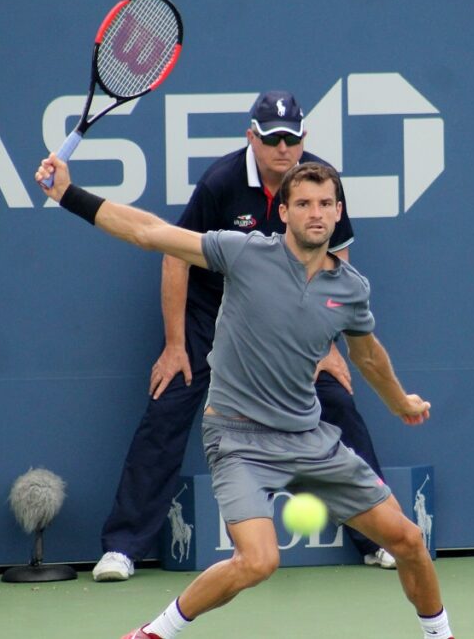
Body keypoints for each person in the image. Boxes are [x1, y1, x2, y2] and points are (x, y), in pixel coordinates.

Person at [34, 157, 455, 639]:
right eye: (303, 204)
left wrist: (400, 402)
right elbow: (149, 233)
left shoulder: (350, 289)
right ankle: (154, 632)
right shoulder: (244, 252)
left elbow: (369, 357)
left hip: (309, 439)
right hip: (237, 439)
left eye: (324, 204)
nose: (315, 213)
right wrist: (69, 194)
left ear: (339, 212)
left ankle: (440, 635)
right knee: (258, 560)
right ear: (284, 212)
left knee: (407, 539)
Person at [93, 91, 395, 582]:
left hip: (284, 322)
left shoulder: (318, 184)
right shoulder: (221, 182)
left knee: (337, 398)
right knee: (167, 404)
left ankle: (378, 541)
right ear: (251, 137)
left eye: (291, 139)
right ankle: (123, 547)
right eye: (272, 138)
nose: (283, 149)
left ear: (303, 140)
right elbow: (175, 254)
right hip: (211, 314)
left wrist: (329, 348)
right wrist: (175, 345)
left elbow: (334, 270)